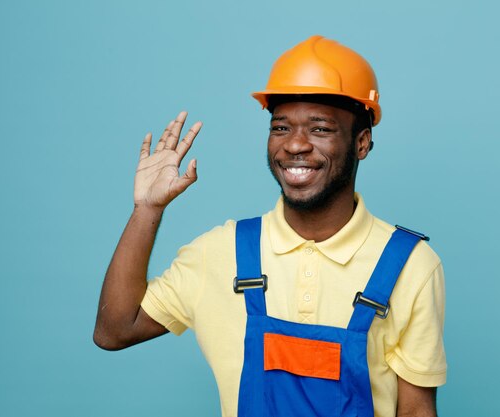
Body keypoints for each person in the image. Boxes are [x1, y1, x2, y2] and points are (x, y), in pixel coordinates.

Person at [94, 35, 446, 417]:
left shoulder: (411, 265)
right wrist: (146, 210)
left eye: (320, 129)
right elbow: (115, 330)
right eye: (280, 128)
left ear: (361, 143)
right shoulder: (221, 252)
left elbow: (415, 411)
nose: (295, 145)